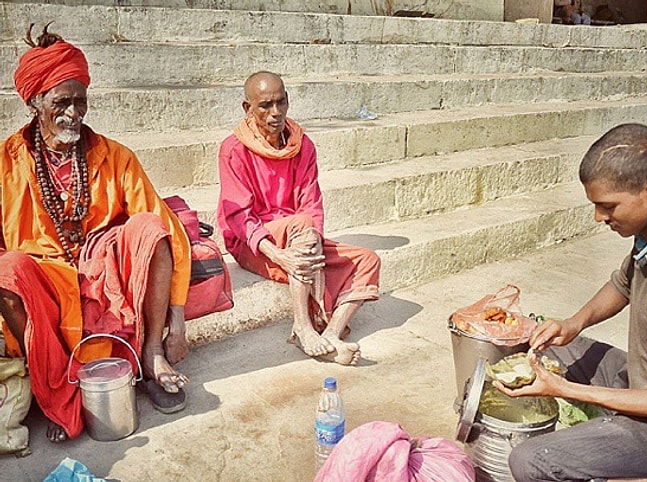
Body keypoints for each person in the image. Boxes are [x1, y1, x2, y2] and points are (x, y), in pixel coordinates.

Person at [0, 24, 191, 442]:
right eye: (61, 103)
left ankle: (150, 355)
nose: (73, 114)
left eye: (80, 103)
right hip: (45, 281)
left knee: (150, 228)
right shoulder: (6, 162)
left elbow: (167, 231)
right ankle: (48, 384)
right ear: (35, 103)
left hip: (105, 278)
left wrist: (176, 318)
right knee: (8, 268)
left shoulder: (115, 156)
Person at [494, 123, 647, 480]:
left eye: (607, 206)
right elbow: (623, 284)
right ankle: (608, 430)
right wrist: (572, 324)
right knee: (541, 345)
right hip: (645, 378)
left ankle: (621, 444)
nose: (599, 217)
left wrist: (567, 390)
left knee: (531, 461)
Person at [217, 71, 380, 366]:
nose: (275, 113)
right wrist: (280, 255)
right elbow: (239, 217)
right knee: (301, 225)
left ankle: (330, 335)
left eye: (281, 102)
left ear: (288, 101)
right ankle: (303, 327)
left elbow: (312, 204)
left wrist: (309, 245)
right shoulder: (233, 149)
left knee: (367, 259)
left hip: (300, 241)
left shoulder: (302, 145)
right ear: (247, 108)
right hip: (255, 244)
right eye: (265, 105)